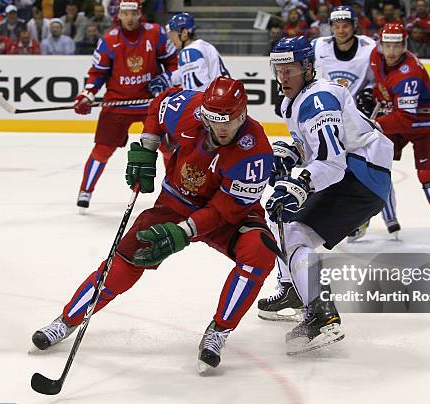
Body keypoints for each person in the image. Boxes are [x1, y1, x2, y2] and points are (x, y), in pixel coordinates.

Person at [32, 77, 277, 374]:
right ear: (204, 114)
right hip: (175, 203)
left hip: (227, 216)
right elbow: (159, 104)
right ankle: (67, 320)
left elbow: (225, 210)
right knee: (125, 258)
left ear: (242, 115)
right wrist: (147, 147)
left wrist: (184, 231)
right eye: (214, 121)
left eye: (229, 121)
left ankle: (218, 332)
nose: (221, 129)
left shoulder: (256, 153)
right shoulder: (190, 108)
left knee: (259, 253)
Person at [264, 36, 394, 354]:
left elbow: (332, 163)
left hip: (360, 176)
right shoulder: (298, 100)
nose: (283, 77)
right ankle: (294, 289)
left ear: (308, 67)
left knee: (294, 232)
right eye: (278, 69)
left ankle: (322, 316)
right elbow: (311, 145)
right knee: (280, 216)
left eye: (290, 69)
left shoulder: (317, 100)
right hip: (357, 173)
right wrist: (290, 154)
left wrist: (301, 184)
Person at [73, 0, 177, 211]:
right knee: (102, 149)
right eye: (125, 13)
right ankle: (85, 191)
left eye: (133, 13)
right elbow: (98, 73)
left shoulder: (155, 33)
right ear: (118, 15)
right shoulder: (109, 40)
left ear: (140, 14)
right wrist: (87, 94)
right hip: (118, 103)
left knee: (169, 146)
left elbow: (173, 63)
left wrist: (167, 80)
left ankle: (176, 192)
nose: (129, 18)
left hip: (151, 103)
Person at [370, 23, 430, 248]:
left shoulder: (410, 73)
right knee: (375, 165)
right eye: (387, 45)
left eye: (396, 46)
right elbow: (381, 85)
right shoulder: (375, 57)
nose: (391, 52)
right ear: (380, 44)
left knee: (429, 174)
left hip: (427, 123)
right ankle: (366, 216)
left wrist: (371, 124)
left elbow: (403, 120)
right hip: (397, 116)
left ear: (405, 46)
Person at [148, 12, 229, 96]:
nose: (171, 39)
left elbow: (195, 93)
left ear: (184, 33)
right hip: (222, 97)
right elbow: (187, 73)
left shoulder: (189, 52)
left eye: (172, 33)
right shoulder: (202, 46)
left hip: (213, 103)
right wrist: (168, 79)